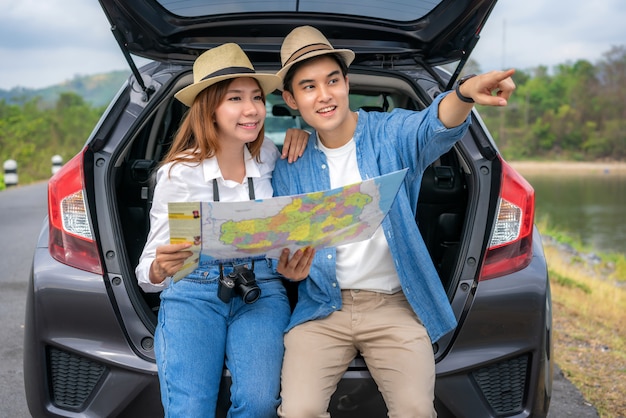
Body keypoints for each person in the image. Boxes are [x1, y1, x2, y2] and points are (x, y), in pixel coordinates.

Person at [271, 26, 516, 417]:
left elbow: (433, 123)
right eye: (309, 87)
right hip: (322, 309)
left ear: (346, 83)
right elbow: (279, 243)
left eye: (332, 81)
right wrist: (289, 271)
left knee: (416, 410)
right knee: (297, 411)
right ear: (291, 99)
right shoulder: (289, 168)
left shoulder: (390, 134)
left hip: (395, 306)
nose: (324, 95)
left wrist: (464, 93)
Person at [135, 43, 314, 417]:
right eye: (235, 98)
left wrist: (305, 137)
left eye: (256, 98)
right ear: (210, 109)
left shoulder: (270, 158)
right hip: (193, 291)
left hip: (260, 288)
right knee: (190, 409)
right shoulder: (178, 172)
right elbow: (147, 270)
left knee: (260, 403)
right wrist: (158, 268)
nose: (252, 109)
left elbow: (311, 180)